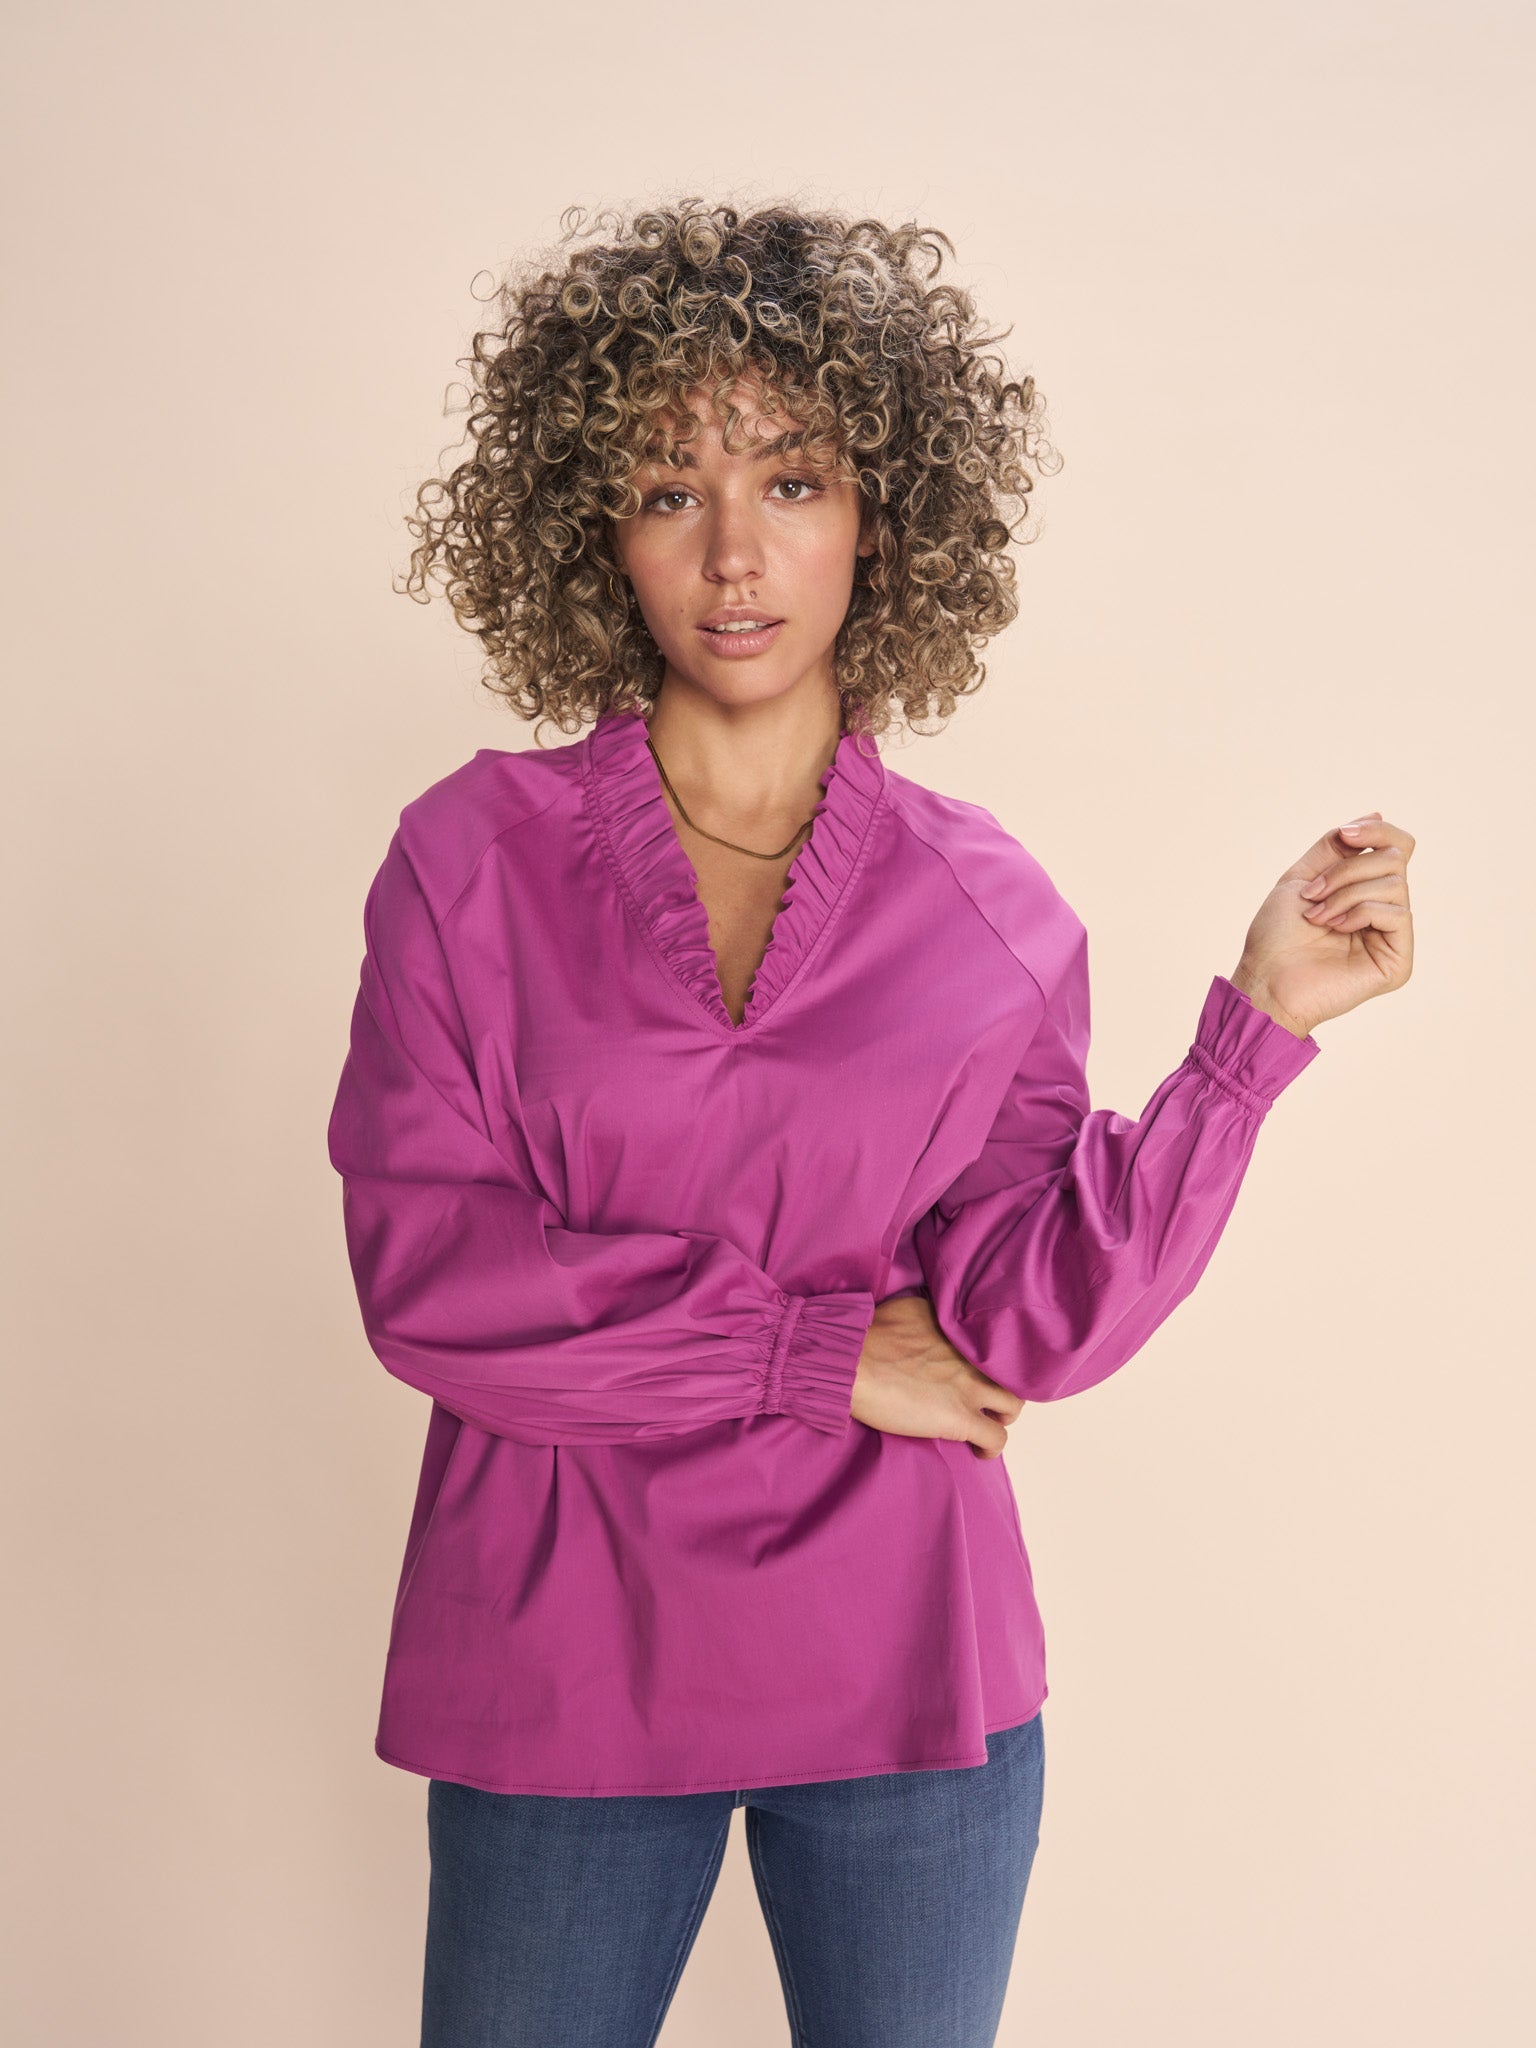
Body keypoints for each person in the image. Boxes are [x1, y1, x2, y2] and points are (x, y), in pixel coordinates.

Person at [326, 198, 1414, 2048]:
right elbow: (436, 1284)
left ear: (883, 517)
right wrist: (815, 1354)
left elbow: (1021, 1328)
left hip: (909, 1678)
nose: (734, 555)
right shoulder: (466, 866)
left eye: (793, 482)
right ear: (593, 528)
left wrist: (1252, 1037)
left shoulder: (987, 912)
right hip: (559, 1666)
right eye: (668, 489)